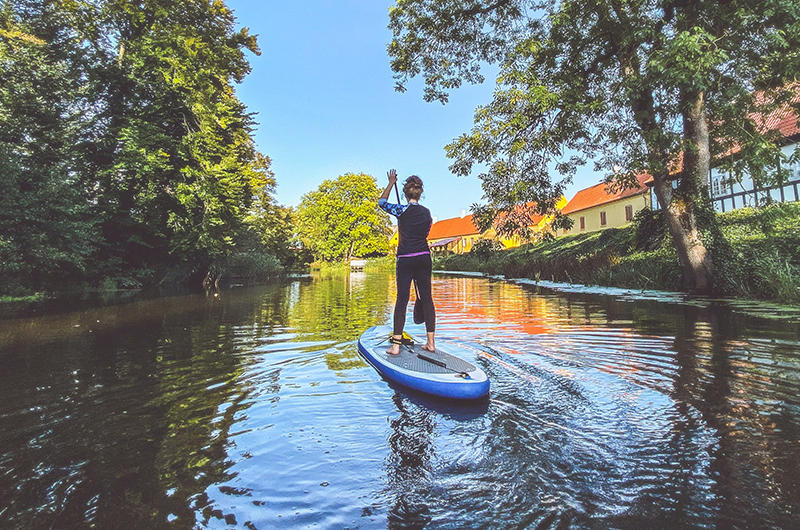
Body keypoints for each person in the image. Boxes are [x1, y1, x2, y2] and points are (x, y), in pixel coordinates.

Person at [378, 169, 436, 355]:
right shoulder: (427, 213)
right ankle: (431, 343)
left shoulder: (401, 210)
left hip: (405, 259)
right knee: (427, 299)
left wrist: (390, 183)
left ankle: (395, 346)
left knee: (402, 300)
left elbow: (381, 202)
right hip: (424, 257)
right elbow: (424, 233)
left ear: (405, 193)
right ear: (420, 193)